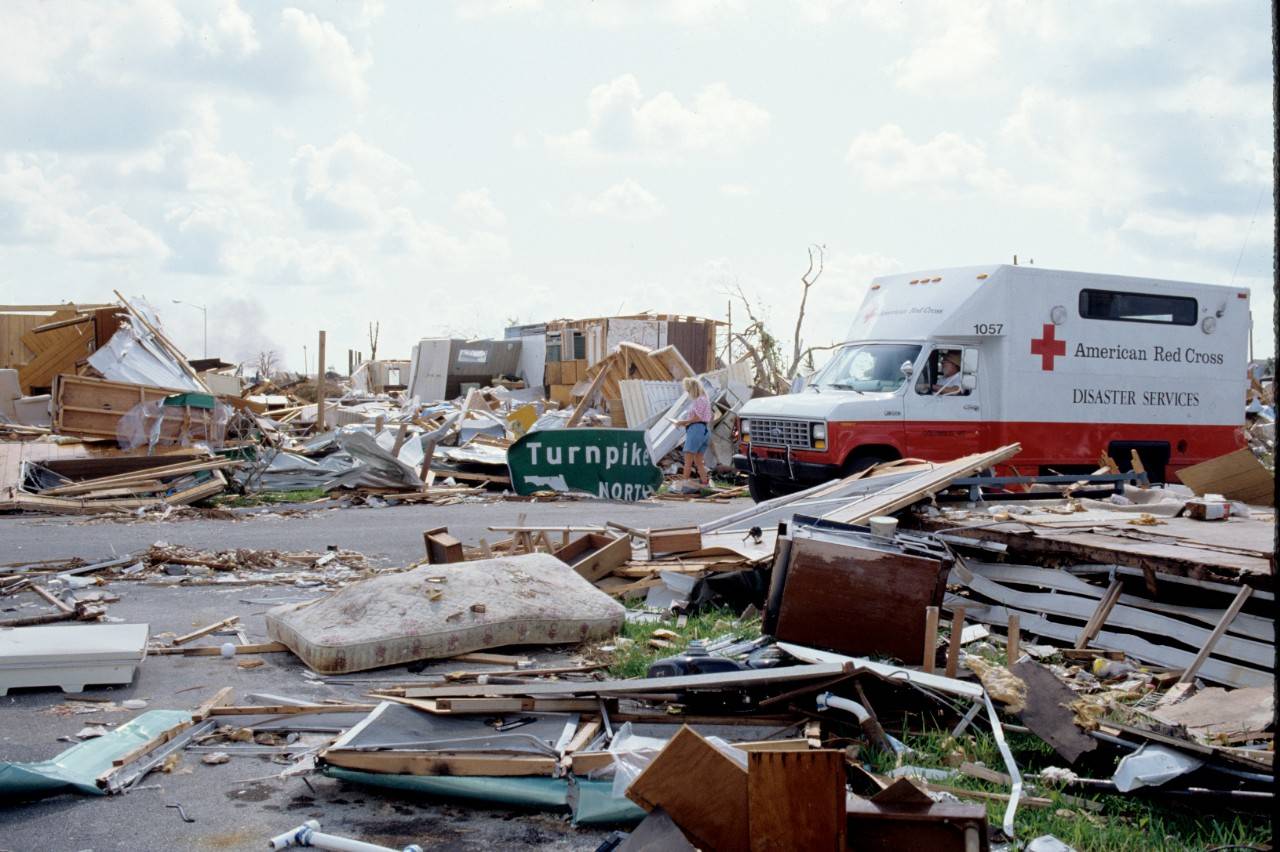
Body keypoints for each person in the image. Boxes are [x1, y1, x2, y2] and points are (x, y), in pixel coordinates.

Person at [674, 376, 711, 486]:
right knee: (698, 461)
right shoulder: (705, 400)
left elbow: (697, 418)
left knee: (688, 460)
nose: (688, 393)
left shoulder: (699, 400)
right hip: (704, 430)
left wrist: (681, 422)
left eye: (688, 390)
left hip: (696, 429)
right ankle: (705, 483)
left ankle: (684, 484)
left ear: (692, 389)